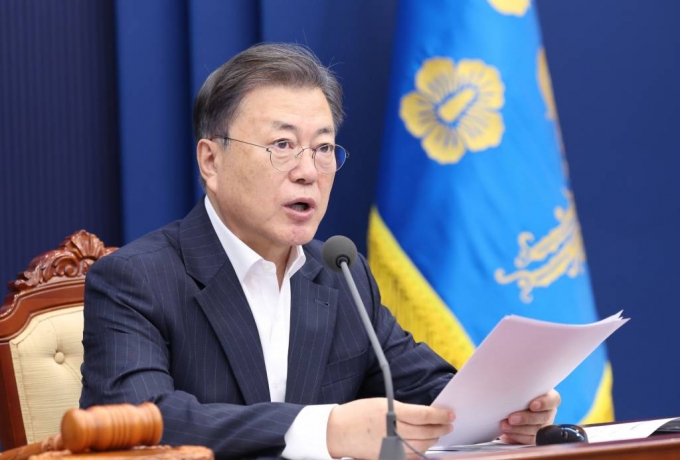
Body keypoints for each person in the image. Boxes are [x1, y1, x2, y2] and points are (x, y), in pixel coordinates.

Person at [80, 42, 560, 460]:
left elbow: (427, 393)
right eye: (283, 144)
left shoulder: (339, 274)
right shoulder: (136, 280)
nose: (308, 171)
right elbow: (136, 422)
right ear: (211, 160)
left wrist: (505, 411)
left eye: (324, 148)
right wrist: (325, 430)